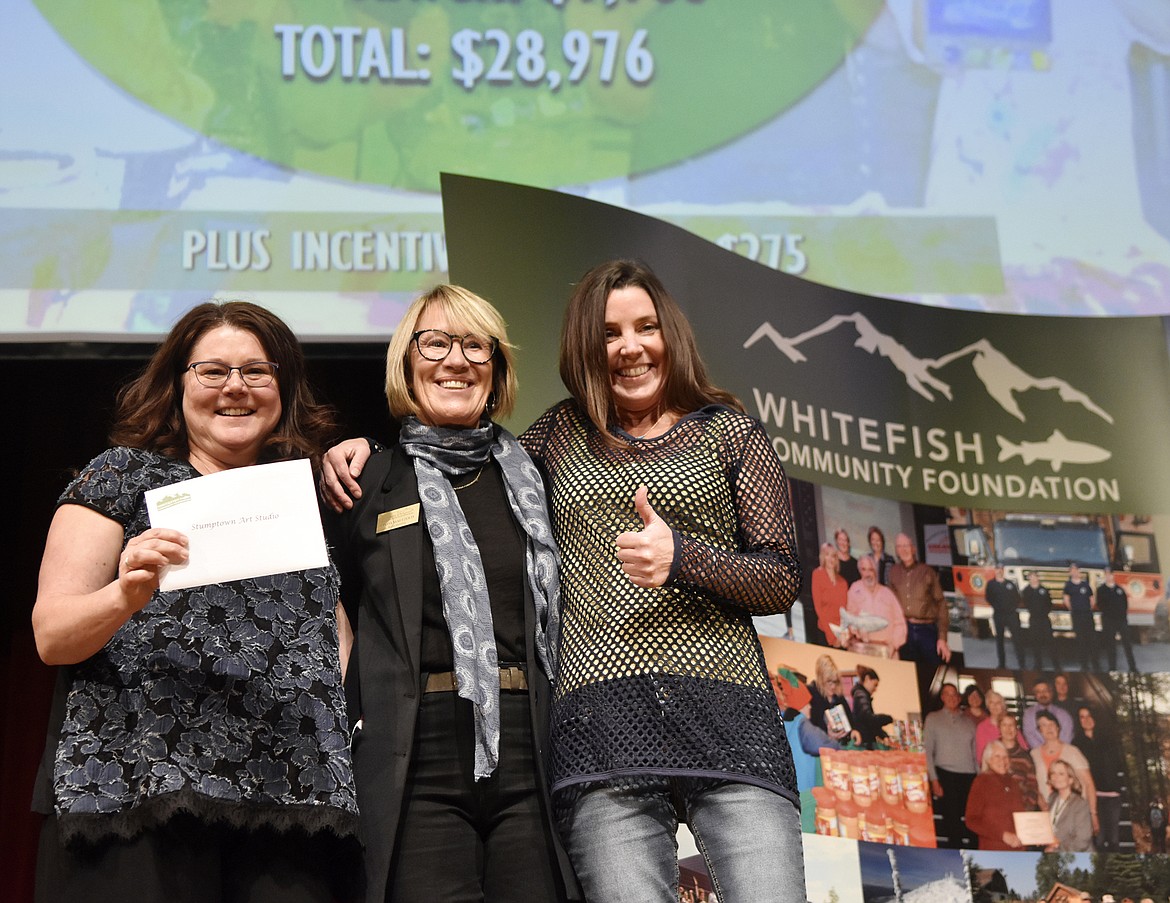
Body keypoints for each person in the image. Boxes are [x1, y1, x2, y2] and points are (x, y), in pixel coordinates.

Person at [324, 260, 807, 902]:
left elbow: (780, 581)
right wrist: (346, 448)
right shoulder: (545, 441)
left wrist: (683, 558)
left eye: (646, 327)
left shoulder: (716, 433)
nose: (631, 346)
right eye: (610, 333)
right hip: (589, 737)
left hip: (712, 723)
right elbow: (443, 470)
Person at [30, 301, 360, 902]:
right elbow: (52, 635)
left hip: (291, 806)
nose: (236, 387)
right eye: (213, 371)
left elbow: (336, 636)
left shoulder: (311, 496)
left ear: (283, 388)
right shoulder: (120, 477)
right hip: (143, 799)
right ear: (178, 384)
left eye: (257, 371)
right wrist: (125, 595)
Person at [327, 286, 576, 902]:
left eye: (474, 346)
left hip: (531, 744)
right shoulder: (366, 479)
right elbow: (329, 607)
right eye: (435, 343)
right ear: (407, 363)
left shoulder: (540, 477)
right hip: (415, 755)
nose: (455, 361)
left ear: (497, 369)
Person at [924, 683, 978, 848]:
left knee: (973, 817)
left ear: (959, 697)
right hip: (946, 774)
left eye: (954, 694)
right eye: (947, 694)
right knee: (952, 820)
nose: (951, 697)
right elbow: (927, 751)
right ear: (942, 697)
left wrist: (979, 777)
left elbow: (975, 752)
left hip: (970, 775)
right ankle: (956, 850)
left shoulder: (969, 722)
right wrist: (934, 779)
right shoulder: (933, 718)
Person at [1031, 711, 1098, 834]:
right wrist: (1043, 806)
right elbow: (1033, 785)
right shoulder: (1033, 755)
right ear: (1039, 730)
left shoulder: (1072, 751)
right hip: (1049, 811)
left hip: (1074, 811)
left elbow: (1089, 783)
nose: (1049, 728)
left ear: (1058, 727)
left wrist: (1093, 813)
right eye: (1043, 725)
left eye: (1052, 724)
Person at [889, 532, 951, 664]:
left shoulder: (927, 571)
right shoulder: (893, 572)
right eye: (899, 546)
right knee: (908, 669)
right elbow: (890, 605)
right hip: (904, 631)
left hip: (927, 631)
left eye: (906, 545)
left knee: (933, 667)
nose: (904, 549)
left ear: (913, 549)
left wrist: (942, 638)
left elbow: (941, 604)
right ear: (896, 551)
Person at [1075, 705, 1126, 852]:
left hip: (1112, 796)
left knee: (1114, 839)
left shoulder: (1109, 740)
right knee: (1099, 838)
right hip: (1093, 796)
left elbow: (1117, 765)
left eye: (1089, 715)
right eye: (1082, 717)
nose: (1086, 720)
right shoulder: (1077, 744)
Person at [964, 741, 1029, 850]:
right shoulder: (981, 782)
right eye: (997, 756)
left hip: (1018, 850)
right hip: (993, 851)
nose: (1002, 761)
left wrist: (1034, 836)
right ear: (988, 760)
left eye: (1005, 757)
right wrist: (1002, 835)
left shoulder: (1013, 782)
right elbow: (972, 820)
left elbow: (1020, 817)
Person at [844, 554, 907, 658]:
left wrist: (894, 645)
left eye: (871, 569)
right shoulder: (854, 589)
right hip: (863, 649)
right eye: (864, 569)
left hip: (888, 651)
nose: (867, 574)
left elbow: (900, 623)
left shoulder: (887, 593)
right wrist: (857, 630)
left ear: (876, 571)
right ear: (860, 571)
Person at [808, 653, 860, 747]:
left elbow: (850, 719)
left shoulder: (838, 696)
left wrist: (854, 731)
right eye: (829, 682)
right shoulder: (811, 694)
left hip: (841, 745)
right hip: (821, 746)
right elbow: (810, 730)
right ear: (820, 679)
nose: (833, 686)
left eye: (835, 682)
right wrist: (828, 736)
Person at [1045, 759, 1095, 852]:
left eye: (1061, 774)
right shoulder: (1052, 798)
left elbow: (1082, 841)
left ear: (1070, 779)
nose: (1056, 777)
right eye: (1053, 773)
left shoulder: (1080, 804)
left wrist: (1056, 850)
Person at [1097, 567, 1138, 671]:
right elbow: (1100, 605)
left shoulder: (1120, 590)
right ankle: (1112, 668)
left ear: (1112, 575)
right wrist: (1108, 616)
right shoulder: (1101, 590)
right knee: (1111, 646)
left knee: (1127, 645)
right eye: (1106, 574)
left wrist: (1123, 617)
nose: (1108, 576)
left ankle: (1133, 667)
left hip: (1121, 621)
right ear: (1104, 576)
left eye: (1110, 574)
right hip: (1109, 621)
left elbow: (1125, 604)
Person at [985, 564, 1025, 669]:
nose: (999, 571)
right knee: (1000, 641)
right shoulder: (991, 584)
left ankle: (1022, 664)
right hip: (999, 615)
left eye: (1001, 569)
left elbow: (1017, 598)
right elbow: (988, 597)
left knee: (1017, 640)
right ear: (995, 570)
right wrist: (997, 607)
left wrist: (1011, 608)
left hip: (1011, 615)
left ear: (1003, 571)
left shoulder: (1010, 584)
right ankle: (1002, 665)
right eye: (997, 569)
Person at [998, 713, 1041, 811]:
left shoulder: (1025, 757)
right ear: (999, 728)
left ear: (1016, 729)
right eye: (1004, 725)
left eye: (1011, 725)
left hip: (1020, 809)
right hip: (997, 809)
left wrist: (1027, 808)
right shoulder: (992, 753)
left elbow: (1032, 785)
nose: (1008, 729)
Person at [811, 541, 849, 647]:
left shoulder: (843, 582)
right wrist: (832, 637)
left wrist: (843, 635)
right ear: (823, 557)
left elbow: (844, 612)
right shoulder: (817, 575)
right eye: (827, 555)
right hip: (825, 632)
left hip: (840, 633)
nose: (830, 559)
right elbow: (818, 609)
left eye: (833, 556)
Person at [1064, 563, 1100, 671]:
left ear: (1079, 571)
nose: (1074, 572)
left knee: (1092, 640)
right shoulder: (1068, 586)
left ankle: (1095, 663)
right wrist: (1074, 609)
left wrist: (1087, 608)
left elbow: (1092, 599)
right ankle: (1084, 665)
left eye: (1076, 570)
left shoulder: (1085, 585)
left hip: (1087, 615)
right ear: (1070, 572)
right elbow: (1066, 600)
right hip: (1077, 616)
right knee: (1081, 640)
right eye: (1072, 570)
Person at [1022, 678, 1075, 748]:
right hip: (1039, 754)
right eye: (1038, 692)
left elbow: (1067, 736)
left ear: (1051, 692)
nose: (1042, 694)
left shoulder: (1063, 714)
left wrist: (1057, 751)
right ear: (1035, 695)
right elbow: (1030, 736)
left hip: (1062, 753)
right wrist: (1045, 751)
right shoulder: (1029, 714)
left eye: (1045, 690)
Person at [1022, 570, 1059, 670]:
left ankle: (1056, 664)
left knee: (1050, 642)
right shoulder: (1026, 591)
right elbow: (1026, 603)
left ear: (1038, 578)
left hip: (1044, 620)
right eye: (1031, 577)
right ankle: (1038, 664)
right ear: (1029, 578)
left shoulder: (1044, 590)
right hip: (1034, 620)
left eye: (1035, 576)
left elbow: (1049, 603)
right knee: (1035, 643)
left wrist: (1045, 612)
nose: (1033, 579)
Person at [850, 665, 894, 748]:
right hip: (863, 744)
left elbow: (870, 722)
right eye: (875, 685)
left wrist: (883, 735)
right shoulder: (861, 695)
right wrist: (889, 718)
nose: (875, 689)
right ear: (867, 679)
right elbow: (868, 719)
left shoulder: (861, 695)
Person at [976, 691, 1020, 763]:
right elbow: (981, 757)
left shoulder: (1011, 724)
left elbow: (1023, 748)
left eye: (998, 703)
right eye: (991, 702)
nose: (995, 705)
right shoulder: (982, 728)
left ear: (1003, 706)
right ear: (988, 706)